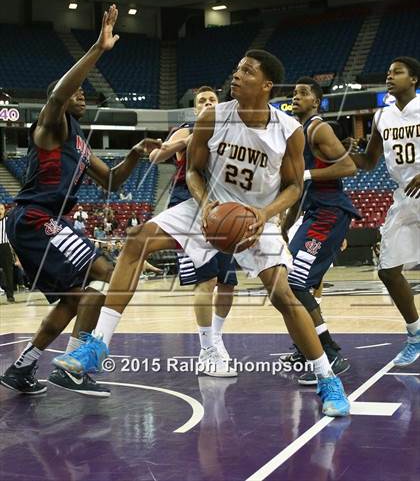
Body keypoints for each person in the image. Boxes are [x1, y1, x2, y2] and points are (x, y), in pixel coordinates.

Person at [54, 49, 350, 416]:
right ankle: (97, 344)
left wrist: (266, 213)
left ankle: (327, 378)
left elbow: (292, 187)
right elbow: (193, 170)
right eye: (237, 68)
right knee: (137, 240)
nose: (237, 74)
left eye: (247, 71)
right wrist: (206, 202)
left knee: (284, 297)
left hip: (257, 218)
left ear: (267, 85)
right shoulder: (213, 117)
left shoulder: (289, 131)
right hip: (209, 207)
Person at [0, 4, 162, 397]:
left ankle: (22, 367)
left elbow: (110, 182)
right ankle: (73, 365)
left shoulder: (79, 143)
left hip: (42, 221)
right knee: (104, 269)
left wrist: (136, 154)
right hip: (35, 218)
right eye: (78, 91)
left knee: (77, 298)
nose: (82, 95)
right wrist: (99, 48)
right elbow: (58, 93)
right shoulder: (51, 126)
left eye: (86, 92)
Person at [148, 86, 238, 376]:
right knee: (207, 279)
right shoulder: (185, 128)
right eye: (202, 100)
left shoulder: (229, 130)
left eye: (212, 99)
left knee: (227, 283)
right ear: (194, 108)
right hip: (188, 206)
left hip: (224, 208)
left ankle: (217, 338)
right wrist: (183, 142)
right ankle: (206, 350)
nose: (208, 103)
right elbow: (157, 157)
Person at [281, 77, 359, 385]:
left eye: (303, 93)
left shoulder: (318, 128)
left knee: (296, 283)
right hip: (316, 212)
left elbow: (349, 167)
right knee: (289, 284)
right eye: (294, 92)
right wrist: (285, 228)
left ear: (316, 101)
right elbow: (298, 189)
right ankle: (307, 346)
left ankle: (327, 352)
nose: (296, 97)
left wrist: (307, 172)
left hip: (329, 213)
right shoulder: (299, 134)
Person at [349, 56, 420, 366]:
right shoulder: (381, 116)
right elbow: (369, 161)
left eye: (398, 72)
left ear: (414, 79)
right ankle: (416, 335)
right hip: (405, 197)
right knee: (388, 270)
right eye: (388, 72)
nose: (390, 77)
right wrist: (346, 152)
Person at [0, 203, 15, 303]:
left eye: (1, 209)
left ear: (4, 210)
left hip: (5, 247)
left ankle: (10, 295)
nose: (0, 211)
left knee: (8, 272)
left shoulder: (8, 221)